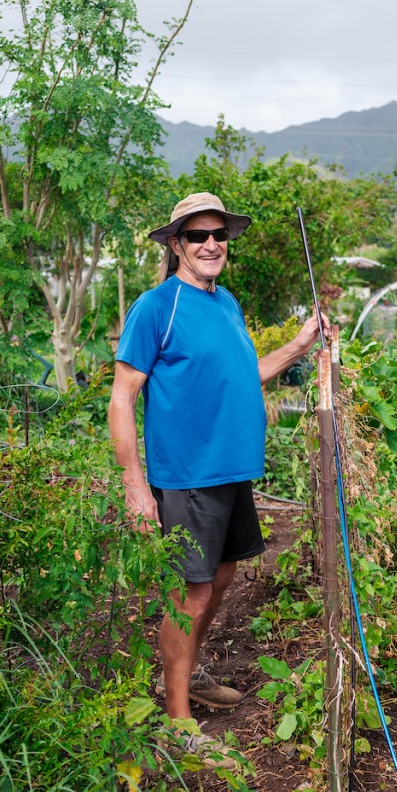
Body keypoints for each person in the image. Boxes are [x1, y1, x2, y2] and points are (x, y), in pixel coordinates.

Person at [108, 192, 327, 758]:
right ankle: (177, 717)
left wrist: (300, 344)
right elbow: (122, 398)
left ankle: (190, 674)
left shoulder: (225, 302)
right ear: (176, 244)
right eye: (198, 236)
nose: (211, 245)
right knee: (192, 592)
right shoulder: (158, 307)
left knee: (220, 580)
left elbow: (244, 375)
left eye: (219, 236)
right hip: (188, 474)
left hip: (232, 471)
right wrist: (136, 484)